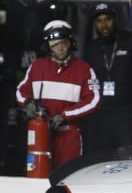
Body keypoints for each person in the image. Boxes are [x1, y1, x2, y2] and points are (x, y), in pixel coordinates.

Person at [16, 20, 100, 168]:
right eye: (54, 44)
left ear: (71, 43)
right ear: (48, 47)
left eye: (63, 43)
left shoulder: (84, 69)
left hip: (68, 136)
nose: (60, 48)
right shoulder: (37, 66)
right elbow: (21, 91)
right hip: (40, 132)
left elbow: (94, 100)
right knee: (37, 174)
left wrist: (65, 115)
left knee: (67, 177)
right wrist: (28, 104)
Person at [83, 3, 132, 151]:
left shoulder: (131, 41)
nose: (104, 25)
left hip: (127, 113)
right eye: (99, 21)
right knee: (100, 157)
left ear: (115, 20)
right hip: (99, 114)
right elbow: (86, 81)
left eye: (108, 19)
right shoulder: (91, 48)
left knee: (129, 157)